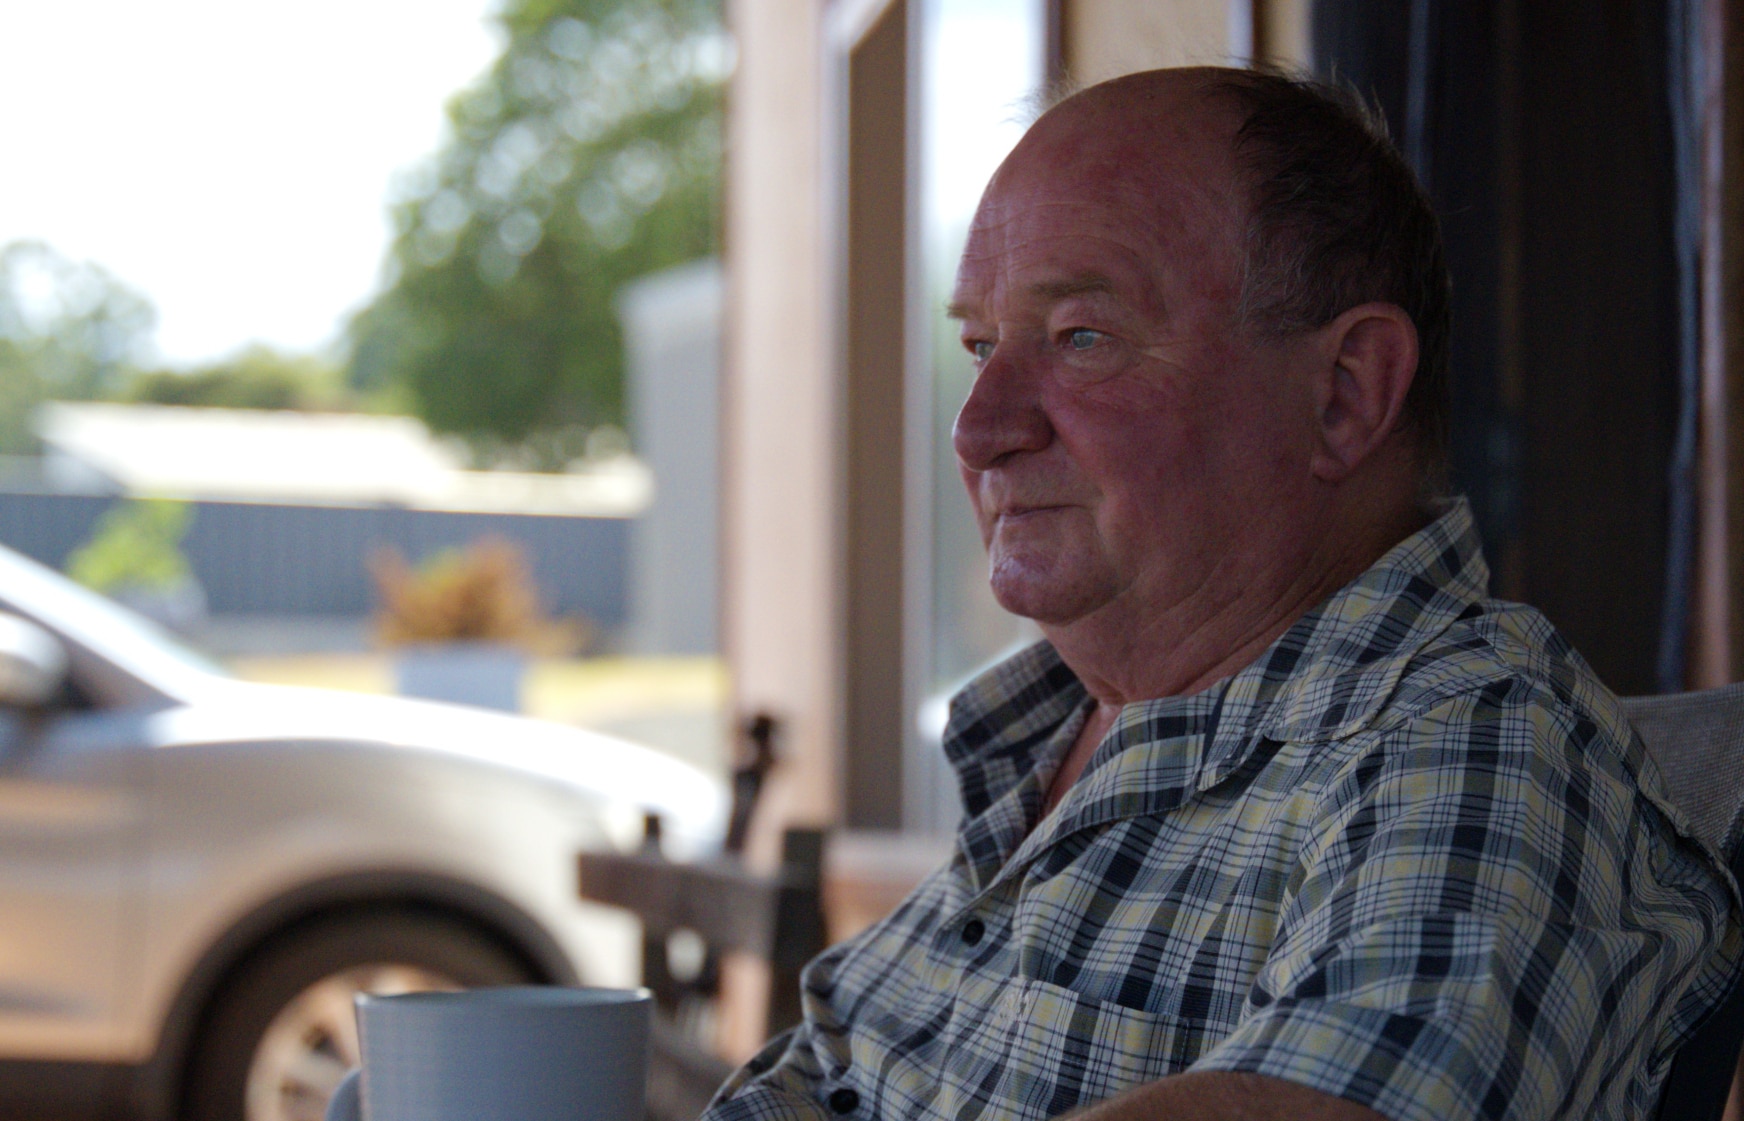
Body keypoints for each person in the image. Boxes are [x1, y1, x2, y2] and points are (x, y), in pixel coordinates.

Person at [702, 67, 1742, 1121]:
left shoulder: (1466, 738)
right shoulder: (1050, 739)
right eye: (978, 345)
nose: (979, 430)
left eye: (1082, 338)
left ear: (1342, 394)